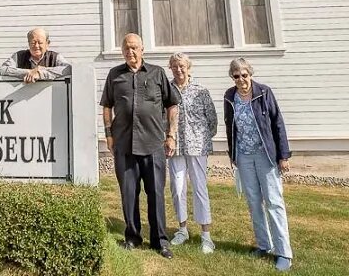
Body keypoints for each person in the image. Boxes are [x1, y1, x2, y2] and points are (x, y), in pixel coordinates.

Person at [100, 33, 180, 259]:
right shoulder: (114, 75)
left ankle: (160, 241)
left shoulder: (157, 73)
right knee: (128, 194)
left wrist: (171, 134)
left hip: (153, 143)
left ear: (142, 49)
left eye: (134, 48)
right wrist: (108, 135)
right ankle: (132, 237)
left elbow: (172, 104)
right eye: (126, 48)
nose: (130, 52)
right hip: (124, 144)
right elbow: (107, 106)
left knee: (155, 193)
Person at [223, 57, 294, 272]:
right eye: (236, 76)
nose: (241, 79)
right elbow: (230, 126)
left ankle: (284, 253)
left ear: (250, 74)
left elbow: (277, 123)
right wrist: (233, 153)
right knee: (254, 202)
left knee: (273, 201)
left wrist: (283, 155)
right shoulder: (229, 96)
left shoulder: (264, 92)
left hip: (266, 155)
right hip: (244, 156)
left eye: (244, 75)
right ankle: (264, 245)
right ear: (232, 77)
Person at [166, 52, 218, 253]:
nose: (179, 70)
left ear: (188, 68)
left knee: (199, 188)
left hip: (197, 146)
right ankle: (182, 229)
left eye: (182, 66)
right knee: (177, 188)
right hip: (175, 146)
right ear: (170, 68)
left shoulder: (201, 91)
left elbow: (212, 120)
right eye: (174, 66)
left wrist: (200, 136)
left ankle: (206, 235)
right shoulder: (166, 90)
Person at [0, 27, 71, 83]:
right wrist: (29, 72)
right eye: (33, 42)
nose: (36, 46)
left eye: (40, 42)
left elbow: (68, 69)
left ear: (47, 43)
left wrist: (40, 72)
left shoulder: (55, 57)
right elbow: (3, 69)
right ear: (28, 43)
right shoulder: (18, 56)